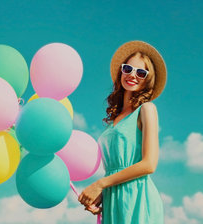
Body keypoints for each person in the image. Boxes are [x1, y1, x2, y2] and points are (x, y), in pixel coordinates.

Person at [78, 41, 167, 224]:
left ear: (147, 79)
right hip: (113, 198)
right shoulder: (115, 120)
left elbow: (149, 164)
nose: (133, 75)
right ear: (121, 72)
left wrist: (100, 184)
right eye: (128, 69)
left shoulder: (146, 109)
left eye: (141, 72)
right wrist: (102, 194)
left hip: (138, 197)